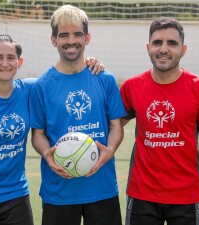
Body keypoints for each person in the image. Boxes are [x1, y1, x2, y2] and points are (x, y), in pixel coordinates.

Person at [0, 34, 104, 225]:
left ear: (20, 62)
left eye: (11, 58)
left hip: (15, 194)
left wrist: (88, 63)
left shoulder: (30, 89)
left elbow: (62, 78)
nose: (5, 63)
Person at [120, 17, 199, 225]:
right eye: (157, 42)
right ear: (148, 47)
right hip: (141, 194)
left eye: (172, 43)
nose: (163, 49)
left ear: (183, 49)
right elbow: (113, 127)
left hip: (187, 195)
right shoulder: (131, 87)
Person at [28, 5, 126, 225]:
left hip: (102, 187)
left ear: (87, 38)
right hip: (59, 190)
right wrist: (47, 155)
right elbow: (38, 134)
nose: (71, 41)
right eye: (63, 35)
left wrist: (109, 151)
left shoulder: (105, 79)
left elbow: (116, 126)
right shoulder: (42, 85)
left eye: (77, 34)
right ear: (53, 40)